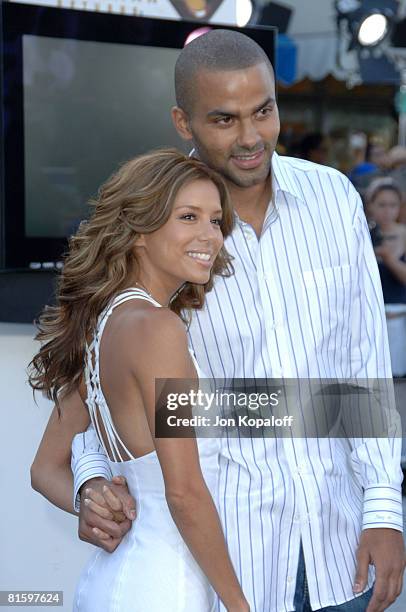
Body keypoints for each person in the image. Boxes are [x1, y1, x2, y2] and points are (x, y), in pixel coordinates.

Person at [31, 30, 405, 612]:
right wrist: (90, 483)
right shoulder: (167, 239)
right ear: (183, 122)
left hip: (341, 546)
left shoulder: (334, 198)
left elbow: (364, 360)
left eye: (264, 111)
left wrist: (385, 508)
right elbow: (107, 388)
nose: (251, 137)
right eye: (225, 120)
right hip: (230, 564)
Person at [29, 148, 250, 611]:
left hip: (123, 580)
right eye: (189, 216)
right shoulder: (156, 328)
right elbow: (184, 493)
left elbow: (45, 469)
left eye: (215, 221)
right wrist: (239, 605)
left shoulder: (106, 324)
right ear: (137, 232)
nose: (210, 235)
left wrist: (92, 500)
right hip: (166, 588)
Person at [366, 177, 406, 376]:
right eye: (381, 205)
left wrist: (388, 257)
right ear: (371, 205)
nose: (387, 211)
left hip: (400, 316)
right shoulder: (364, 233)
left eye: (393, 205)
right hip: (370, 318)